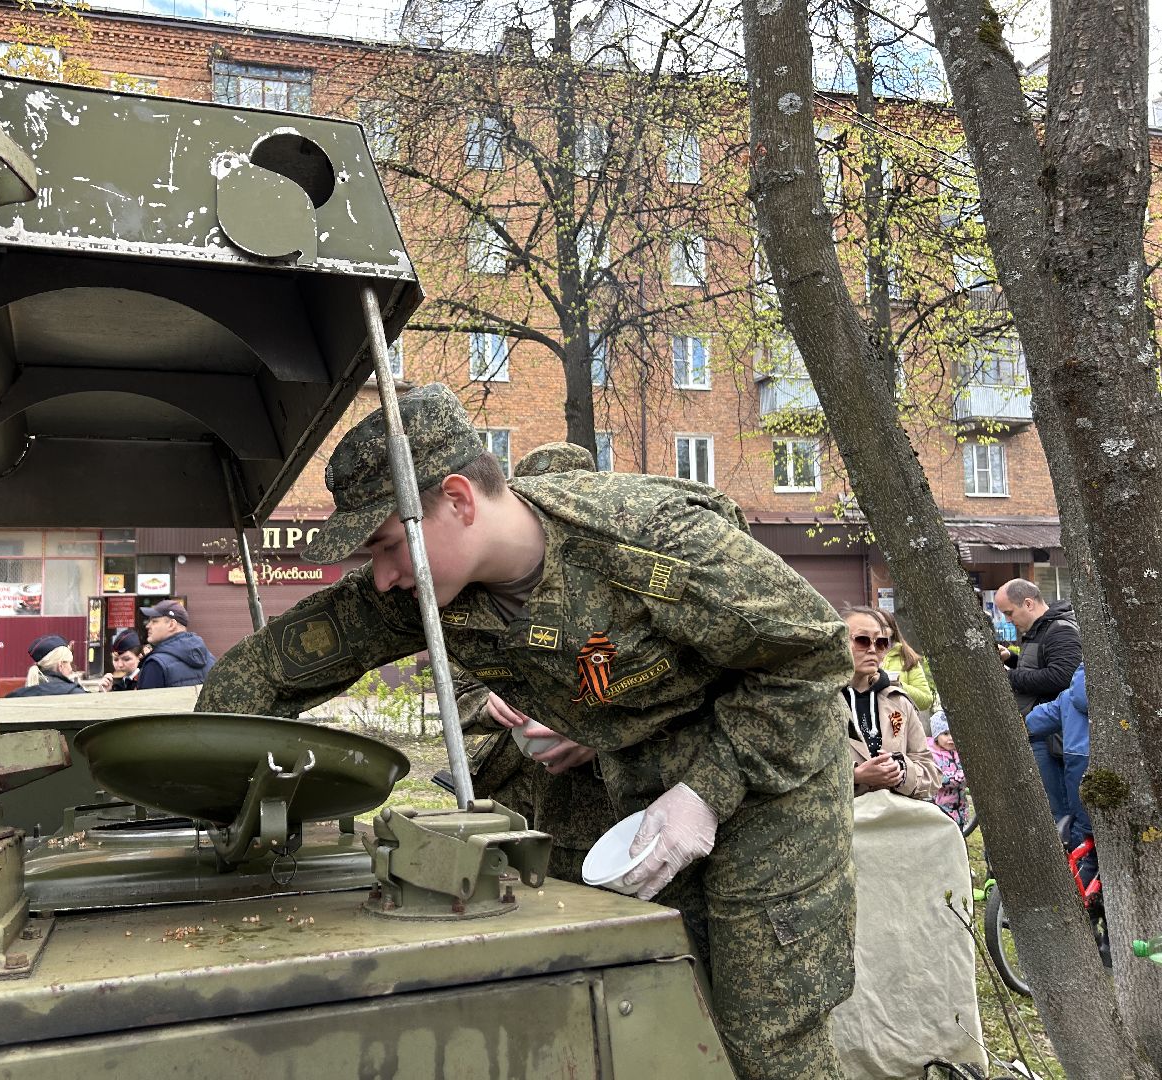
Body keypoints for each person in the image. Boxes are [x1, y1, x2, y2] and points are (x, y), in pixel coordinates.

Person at [196, 383, 857, 1080]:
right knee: (663, 1012)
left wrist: (708, 789)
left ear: (457, 499)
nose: (384, 576)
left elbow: (811, 655)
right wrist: (207, 788)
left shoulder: (648, 538)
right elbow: (268, 668)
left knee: (766, 1043)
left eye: (388, 544)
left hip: (772, 787)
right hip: (643, 797)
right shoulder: (431, 592)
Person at [459, 441, 619, 886]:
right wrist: (487, 703)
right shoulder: (492, 598)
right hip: (517, 817)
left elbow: (665, 709)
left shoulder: (618, 596)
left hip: (610, 822)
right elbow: (457, 692)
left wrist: (596, 739)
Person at [994, 579, 1082, 815]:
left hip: (1054, 737)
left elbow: (1064, 677)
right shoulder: (1040, 629)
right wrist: (1011, 658)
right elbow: (1039, 664)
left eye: (1009, 613)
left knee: (1059, 810)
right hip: (1043, 732)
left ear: (1028, 603)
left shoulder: (1060, 630)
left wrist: (1009, 677)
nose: (1008, 620)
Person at [841, 606, 940, 800]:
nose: (872, 649)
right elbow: (799, 775)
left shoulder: (899, 702)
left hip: (893, 822)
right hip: (841, 824)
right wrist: (855, 776)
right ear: (838, 642)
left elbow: (931, 774)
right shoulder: (819, 701)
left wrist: (901, 772)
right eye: (862, 640)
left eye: (881, 642)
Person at [1026, 664, 1094, 885]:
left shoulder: (1068, 697)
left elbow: (1034, 722)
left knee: (1088, 847)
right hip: (1113, 787)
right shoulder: (1122, 698)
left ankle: (1083, 901)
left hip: (1079, 790)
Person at [136, 600, 216, 689]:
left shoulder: (156, 664)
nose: (148, 626)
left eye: (154, 621)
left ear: (171, 625)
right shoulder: (210, 659)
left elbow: (145, 702)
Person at [877, 609, 935, 712]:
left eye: (884, 626)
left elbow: (926, 700)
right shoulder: (861, 656)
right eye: (875, 626)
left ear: (893, 630)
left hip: (899, 722)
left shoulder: (906, 657)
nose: (879, 631)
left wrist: (899, 686)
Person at [5, 634, 89, 698]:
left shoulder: (15, 696)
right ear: (60, 666)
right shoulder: (76, 694)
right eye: (69, 663)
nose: (71, 669)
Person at [927, 710, 969, 829]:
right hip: (939, 809)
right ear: (936, 736)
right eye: (945, 733)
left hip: (959, 809)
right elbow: (937, 778)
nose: (950, 738)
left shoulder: (960, 752)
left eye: (953, 733)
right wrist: (960, 777)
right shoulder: (931, 754)